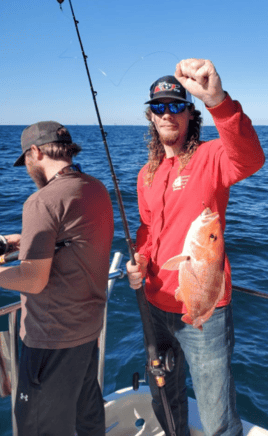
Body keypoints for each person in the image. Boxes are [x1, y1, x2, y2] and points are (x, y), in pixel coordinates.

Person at [126, 59, 265, 436]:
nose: (167, 114)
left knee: (217, 414)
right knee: (165, 401)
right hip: (155, 305)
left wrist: (218, 100)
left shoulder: (211, 157)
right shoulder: (146, 174)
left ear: (190, 113)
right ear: (151, 117)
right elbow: (150, 231)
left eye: (175, 106)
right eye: (159, 107)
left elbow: (251, 158)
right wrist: (140, 260)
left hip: (205, 311)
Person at [0, 121, 114, 436]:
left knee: (37, 427)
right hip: (88, 331)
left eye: (25, 161)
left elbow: (33, 280)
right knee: (87, 421)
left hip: (50, 341)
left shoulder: (42, 201)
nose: (26, 169)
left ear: (35, 152)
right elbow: (75, 240)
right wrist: (22, 240)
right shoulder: (95, 188)